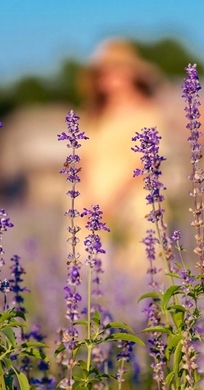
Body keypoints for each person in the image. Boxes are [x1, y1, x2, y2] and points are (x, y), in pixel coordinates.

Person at [76, 38, 173, 283]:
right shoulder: (95, 113)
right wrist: (88, 197)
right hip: (91, 202)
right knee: (89, 278)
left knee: (139, 274)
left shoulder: (147, 111)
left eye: (116, 70)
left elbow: (145, 162)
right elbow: (83, 158)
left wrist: (112, 201)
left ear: (131, 73)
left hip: (133, 200)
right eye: (103, 72)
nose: (109, 77)